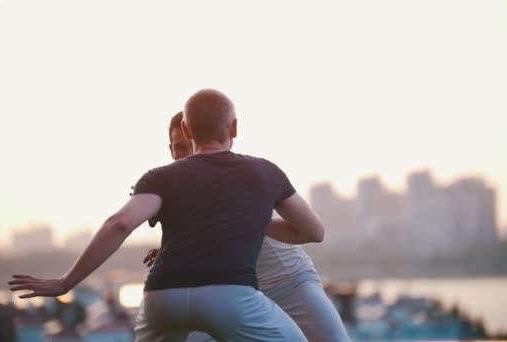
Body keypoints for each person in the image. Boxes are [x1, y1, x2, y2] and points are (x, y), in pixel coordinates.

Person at [8, 89, 325, 341]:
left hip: (162, 296)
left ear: (186, 129)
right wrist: (255, 221)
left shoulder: (158, 177)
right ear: (234, 127)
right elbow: (313, 232)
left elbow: (120, 223)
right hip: (229, 296)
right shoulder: (264, 172)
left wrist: (66, 282)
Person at [142, 111, 351, 342]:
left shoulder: (244, 173)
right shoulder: (172, 187)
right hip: (229, 297)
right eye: (178, 147)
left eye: (190, 145)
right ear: (170, 150)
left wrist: (247, 218)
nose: (185, 154)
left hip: (288, 282)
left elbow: (312, 231)